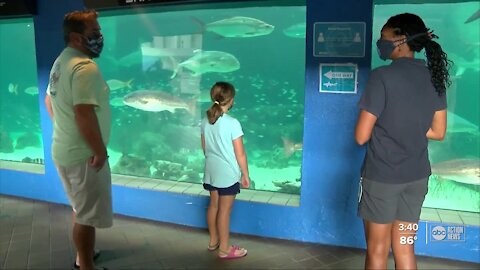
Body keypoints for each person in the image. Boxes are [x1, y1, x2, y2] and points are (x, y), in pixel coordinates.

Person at [355, 13, 451, 270]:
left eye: (384, 37)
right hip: (417, 178)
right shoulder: (434, 76)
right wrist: (410, 128)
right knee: (405, 246)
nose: (380, 42)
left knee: (377, 250)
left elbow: (361, 136)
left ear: (401, 39)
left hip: (382, 178)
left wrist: (389, 127)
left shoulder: (381, 77)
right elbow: (438, 131)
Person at [44, 10, 112, 270]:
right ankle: (85, 266)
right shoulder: (85, 68)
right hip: (84, 156)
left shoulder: (61, 62)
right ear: (75, 37)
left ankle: (83, 256)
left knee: (80, 208)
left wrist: (64, 129)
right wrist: (99, 150)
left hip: (64, 150)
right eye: (94, 33)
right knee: (86, 217)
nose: (99, 37)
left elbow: (49, 99)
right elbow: (83, 113)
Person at [201, 82, 250, 259]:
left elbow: (204, 147)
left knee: (213, 205)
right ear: (231, 100)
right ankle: (224, 249)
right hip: (227, 174)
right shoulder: (233, 123)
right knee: (225, 211)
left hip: (210, 172)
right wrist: (245, 174)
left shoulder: (205, 120)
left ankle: (213, 241)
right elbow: (240, 154)